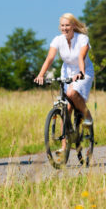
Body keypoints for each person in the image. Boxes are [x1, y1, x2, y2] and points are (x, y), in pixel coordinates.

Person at [34, 13, 94, 152]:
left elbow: (81, 56)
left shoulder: (82, 39)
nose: (65, 28)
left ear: (73, 26)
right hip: (66, 72)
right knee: (65, 109)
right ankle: (64, 147)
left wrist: (80, 72)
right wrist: (41, 75)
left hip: (83, 71)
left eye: (67, 25)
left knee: (72, 93)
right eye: (62, 25)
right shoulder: (57, 40)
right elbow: (50, 58)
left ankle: (87, 116)